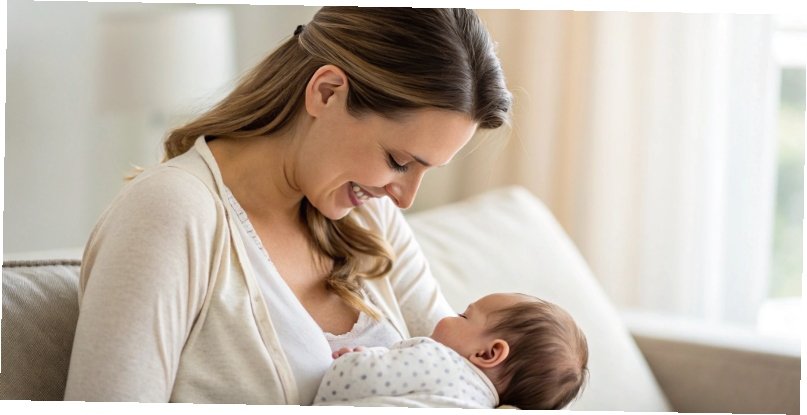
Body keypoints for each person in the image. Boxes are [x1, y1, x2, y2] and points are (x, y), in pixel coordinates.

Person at [64, 7, 512, 404]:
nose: (405, 197)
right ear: (326, 92)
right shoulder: (171, 212)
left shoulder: (369, 216)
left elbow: (473, 382)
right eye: (398, 161)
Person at [313, 293, 589, 410]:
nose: (449, 316)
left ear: (488, 354)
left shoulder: (438, 361)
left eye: (464, 316)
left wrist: (357, 358)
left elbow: (343, 382)